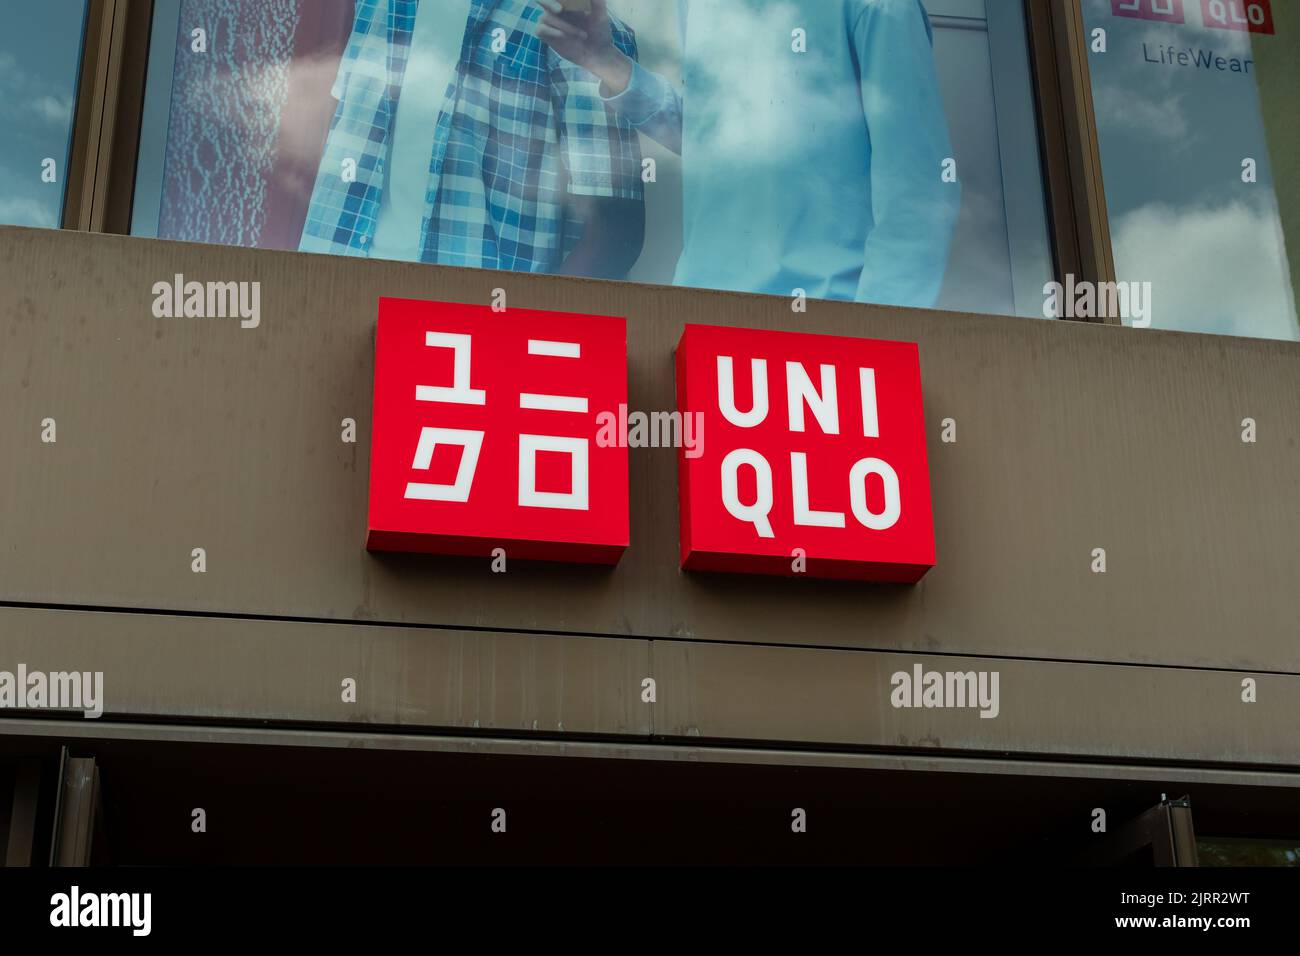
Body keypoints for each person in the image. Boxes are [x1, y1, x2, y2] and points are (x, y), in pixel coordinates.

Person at [537, 0, 960, 307]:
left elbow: (918, 194)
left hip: (826, 330)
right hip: (704, 321)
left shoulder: (880, 8)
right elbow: (719, 142)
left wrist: (875, 343)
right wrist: (606, 61)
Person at [301, 0, 645, 279]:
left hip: (472, 330)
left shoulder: (575, 27)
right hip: (339, 290)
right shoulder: (379, 4)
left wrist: (523, 335)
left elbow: (615, 233)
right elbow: (340, 139)